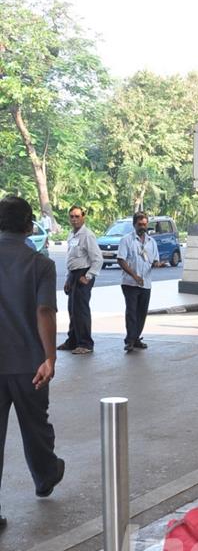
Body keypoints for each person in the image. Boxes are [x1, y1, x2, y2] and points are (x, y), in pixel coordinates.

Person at [0, 196, 65, 530]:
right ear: (28, 226)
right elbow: (45, 311)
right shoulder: (40, 264)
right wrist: (50, 357)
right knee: (36, 428)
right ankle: (46, 475)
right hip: (29, 364)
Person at [58, 205, 102, 355]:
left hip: (83, 274)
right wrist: (67, 279)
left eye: (77, 216)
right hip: (73, 274)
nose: (74, 219)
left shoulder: (87, 235)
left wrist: (88, 276)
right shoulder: (71, 235)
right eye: (72, 216)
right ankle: (73, 341)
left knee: (81, 310)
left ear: (83, 217)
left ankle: (85, 343)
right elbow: (70, 258)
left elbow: (98, 259)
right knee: (72, 309)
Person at [117, 211, 162, 353]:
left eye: (145, 224)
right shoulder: (127, 240)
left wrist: (158, 264)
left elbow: (154, 260)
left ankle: (136, 338)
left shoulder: (151, 242)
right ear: (134, 224)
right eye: (140, 224)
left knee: (141, 312)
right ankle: (129, 340)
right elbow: (121, 260)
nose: (142, 227)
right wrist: (134, 275)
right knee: (131, 312)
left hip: (146, 283)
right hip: (130, 283)